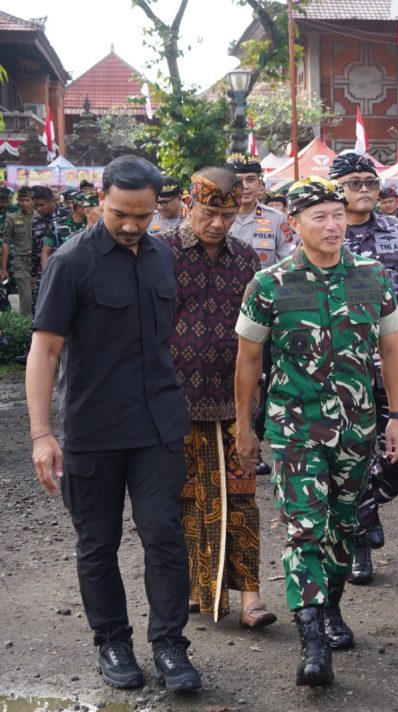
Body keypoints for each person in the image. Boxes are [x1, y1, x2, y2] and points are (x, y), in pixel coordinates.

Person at [26, 155, 202, 691]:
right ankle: (113, 643)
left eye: (143, 216)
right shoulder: (71, 262)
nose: (131, 225)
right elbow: (44, 350)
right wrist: (40, 434)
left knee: (164, 535)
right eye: (121, 213)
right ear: (100, 199)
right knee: (97, 543)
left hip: (157, 426)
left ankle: (171, 645)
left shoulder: (161, 258)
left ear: (158, 208)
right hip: (94, 429)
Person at [234, 176, 398, 686]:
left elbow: (393, 347)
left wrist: (397, 415)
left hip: (357, 429)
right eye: (320, 217)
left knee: (343, 527)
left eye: (337, 214)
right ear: (294, 225)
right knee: (304, 528)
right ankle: (311, 637)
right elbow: (248, 360)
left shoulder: (372, 277)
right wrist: (246, 427)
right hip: (295, 429)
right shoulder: (270, 284)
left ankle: (331, 606)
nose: (333, 225)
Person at [161, 166, 277, 628]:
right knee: (186, 498)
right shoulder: (160, 253)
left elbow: (261, 336)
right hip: (176, 401)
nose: (218, 224)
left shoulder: (248, 260)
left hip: (236, 403)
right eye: (210, 213)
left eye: (228, 215)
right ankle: (198, 587)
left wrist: (255, 409)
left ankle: (251, 598)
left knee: (243, 496)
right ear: (190, 204)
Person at [329, 150, 398, 585]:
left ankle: (363, 506)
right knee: (349, 454)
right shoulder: (321, 234)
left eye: (371, 182)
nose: (365, 190)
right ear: (336, 189)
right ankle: (361, 539)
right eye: (354, 183)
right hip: (338, 366)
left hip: (391, 361)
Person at [227, 152, 294, 477]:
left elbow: (290, 263)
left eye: (250, 180)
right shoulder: (219, 216)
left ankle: (256, 440)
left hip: (264, 316)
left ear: (261, 184)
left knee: (259, 379)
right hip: (222, 312)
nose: (244, 187)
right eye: (238, 181)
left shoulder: (276, 220)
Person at [1, 187, 36, 315]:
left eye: (27, 200)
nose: (24, 203)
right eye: (21, 200)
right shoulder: (12, 218)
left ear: (33, 201)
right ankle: (26, 331)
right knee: (26, 299)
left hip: (38, 263)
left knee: (39, 299)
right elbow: (6, 243)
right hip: (21, 263)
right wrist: (3, 269)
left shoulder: (39, 217)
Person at [31, 186, 59, 311]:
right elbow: (33, 249)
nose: (39, 208)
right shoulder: (34, 221)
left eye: (42, 205)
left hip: (61, 269)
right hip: (39, 272)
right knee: (39, 307)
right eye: (36, 205)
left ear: (52, 201)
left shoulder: (64, 217)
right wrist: (32, 274)